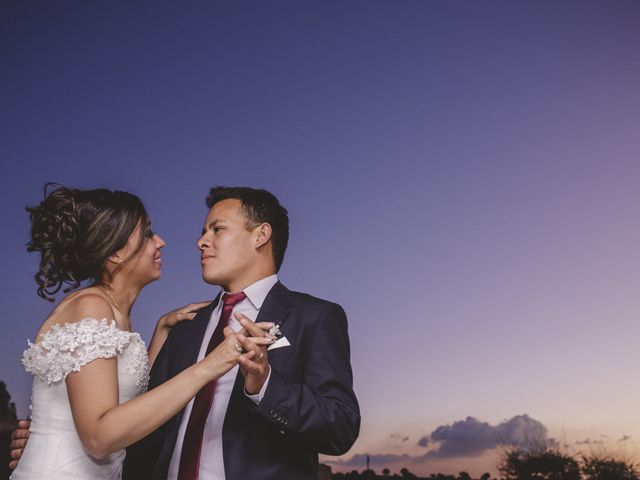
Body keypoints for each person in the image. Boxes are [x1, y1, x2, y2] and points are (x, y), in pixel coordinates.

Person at [9, 185, 272, 479]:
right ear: (116, 253)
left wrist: (160, 333)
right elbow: (99, 437)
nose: (159, 241)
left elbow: (120, 401)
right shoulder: (91, 308)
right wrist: (210, 365)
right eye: (147, 233)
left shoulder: (112, 313)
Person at [122, 186, 361, 479]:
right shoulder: (183, 327)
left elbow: (341, 429)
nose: (201, 241)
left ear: (260, 235)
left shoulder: (315, 317)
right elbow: (148, 433)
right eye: (203, 231)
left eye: (217, 229)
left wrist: (265, 384)